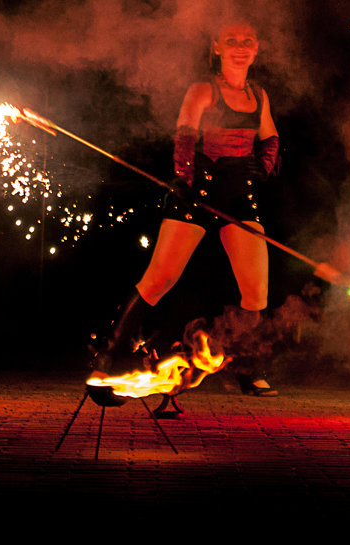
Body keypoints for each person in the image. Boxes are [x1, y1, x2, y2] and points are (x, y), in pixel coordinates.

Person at [92, 20, 281, 396]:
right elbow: (185, 137)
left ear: (257, 48)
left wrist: (262, 165)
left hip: (238, 195)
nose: (240, 48)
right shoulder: (203, 90)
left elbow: (269, 135)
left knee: (256, 292)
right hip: (197, 189)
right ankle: (110, 354)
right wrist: (186, 178)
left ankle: (244, 366)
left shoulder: (258, 95)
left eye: (247, 42)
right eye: (232, 42)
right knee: (160, 278)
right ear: (217, 47)